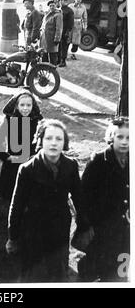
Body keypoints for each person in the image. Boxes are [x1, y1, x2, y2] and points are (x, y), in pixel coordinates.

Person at [6, 119, 87, 282]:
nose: (53, 143)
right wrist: (12, 237)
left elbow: (79, 198)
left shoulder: (70, 166)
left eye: (59, 139)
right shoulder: (27, 169)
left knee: (57, 273)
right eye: (49, 138)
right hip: (33, 230)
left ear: (64, 142)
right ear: (40, 140)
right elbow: (17, 205)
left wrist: (84, 225)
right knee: (34, 274)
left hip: (59, 228)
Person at [78, 117, 129, 282]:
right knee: (94, 271)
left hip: (125, 231)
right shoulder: (99, 161)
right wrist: (86, 225)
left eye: (129, 137)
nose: (124, 142)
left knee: (119, 274)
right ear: (111, 137)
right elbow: (82, 197)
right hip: (101, 230)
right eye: (120, 137)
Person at [0, 92, 43, 203]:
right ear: (17, 106)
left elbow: (43, 144)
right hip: (13, 166)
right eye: (22, 105)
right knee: (10, 199)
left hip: (31, 165)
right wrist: (7, 157)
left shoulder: (37, 121)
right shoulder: (9, 120)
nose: (25, 108)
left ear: (33, 106)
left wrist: (35, 156)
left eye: (28, 105)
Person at [40, 0, 63, 65]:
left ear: (56, 5)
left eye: (53, 5)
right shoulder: (47, 14)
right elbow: (43, 25)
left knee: (52, 55)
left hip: (52, 38)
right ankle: (45, 68)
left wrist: (57, 39)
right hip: (44, 38)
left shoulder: (58, 15)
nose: (51, 7)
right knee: (44, 54)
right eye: (50, 6)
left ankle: (53, 69)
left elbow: (59, 28)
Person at [57, 0, 74, 67]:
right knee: (58, 46)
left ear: (66, 2)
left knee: (64, 47)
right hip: (58, 31)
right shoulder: (58, 10)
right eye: (60, 0)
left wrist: (67, 32)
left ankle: (63, 61)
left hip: (65, 31)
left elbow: (71, 23)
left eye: (62, 0)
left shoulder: (69, 11)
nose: (60, 2)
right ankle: (58, 60)